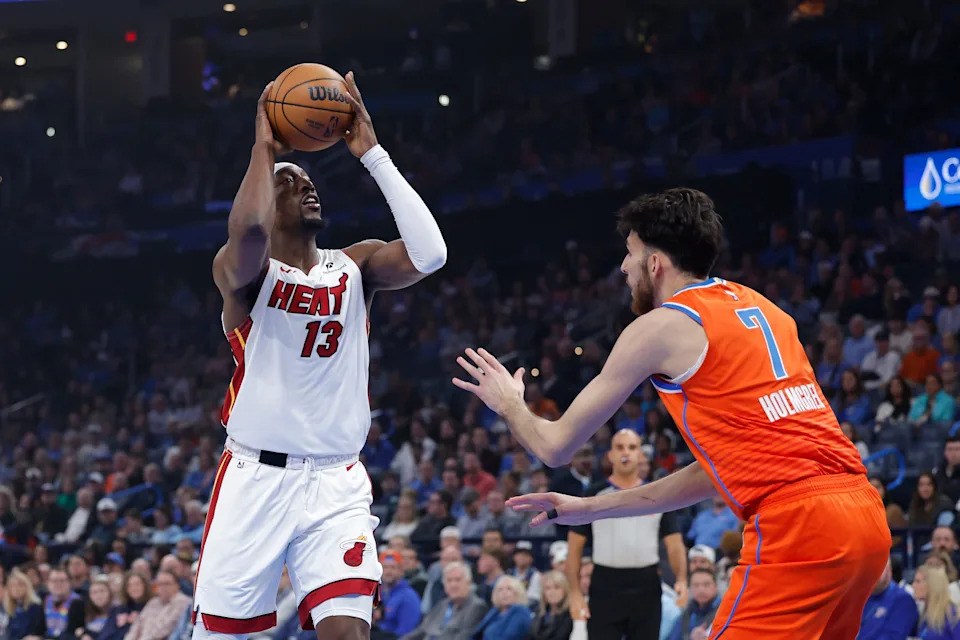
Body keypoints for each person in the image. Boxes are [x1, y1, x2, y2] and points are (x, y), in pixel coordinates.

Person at [458, 189, 890, 639]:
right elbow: (718, 472)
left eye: (630, 253)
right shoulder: (766, 309)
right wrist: (591, 508)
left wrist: (509, 403)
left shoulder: (660, 327)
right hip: (863, 515)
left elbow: (554, 447)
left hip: (802, 526)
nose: (623, 267)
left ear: (654, 263)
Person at [199, 71, 446, 640]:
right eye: (290, 183)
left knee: (348, 633)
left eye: (310, 181)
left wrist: (373, 155)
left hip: (337, 481)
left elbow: (431, 254)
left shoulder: (356, 265)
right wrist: (265, 150)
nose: (306, 187)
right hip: (256, 478)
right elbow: (248, 230)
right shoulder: (245, 274)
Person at [565, 430, 688, 639]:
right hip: (605, 584)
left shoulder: (658, 494)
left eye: (632, 447)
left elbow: (675, 544)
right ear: (610, 455)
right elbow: (574, 548)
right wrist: (575, 593)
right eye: (620, 447)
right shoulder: (593, 495)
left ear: (640, 455)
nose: (626, 453)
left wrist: (682, 579)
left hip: (646, 584)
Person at [399, 562, 487, 640]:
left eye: (458, 580)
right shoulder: (443, 604)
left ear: (469, 582)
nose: (453, 585)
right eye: (449, 580)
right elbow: (421, 630)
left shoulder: (476, 607)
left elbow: (463, 637)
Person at [856, 558, 918, 640]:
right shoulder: (861, 598)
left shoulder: (903, 600)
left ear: (889, 570)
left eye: (877, 568)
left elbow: (893, 637)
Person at [124, 570, 191, 640]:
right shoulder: (153, 602)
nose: (163, 587)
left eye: (167, 584)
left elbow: (164, 629)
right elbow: (136, 626)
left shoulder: (183, 602)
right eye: (160, 584)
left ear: (177, 585)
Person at [376, 551, 421, 637]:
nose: (388, 571)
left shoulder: (408, 597)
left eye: (393, 567)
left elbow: (407, 633)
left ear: (401, 571)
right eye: (384, 567)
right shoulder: (377, 593)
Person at [472, 576, 532, 640]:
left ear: (518, 592)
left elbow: (510, 637)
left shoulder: (521, 611)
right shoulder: (494, 611)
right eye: (500, 589)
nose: (504, 592)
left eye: (509, 589)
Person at [668, 569, 722, 640]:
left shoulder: (724, 612)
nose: (701, 589)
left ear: (716, 586)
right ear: (690, 588)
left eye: (706, 585)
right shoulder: (686, 613)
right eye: (696, 585)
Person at [913, 565, 960, 639]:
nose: (913, 585)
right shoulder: (925, 615)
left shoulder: (953, 616)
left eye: (918, 581)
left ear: (932, 585)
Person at [529, 571, 573, 640]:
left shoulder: (570, 613)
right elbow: (530, 635)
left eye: (557, 587)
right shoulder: (539, 611)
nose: (552, 592)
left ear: (565, 590)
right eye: (547, 588)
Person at [4, 568, 45, 640]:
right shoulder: (12, 608)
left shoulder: (35, 607)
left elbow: (36, 633)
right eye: (12, 585)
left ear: (27, 587)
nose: (16, 588)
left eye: (20, 585)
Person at [43, 568, 84, 640]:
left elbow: (75, 633)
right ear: (47, 583)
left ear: (70, 583)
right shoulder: (45, 600)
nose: (58, 584)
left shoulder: (79, 602)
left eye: (62, 580)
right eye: (54, 581)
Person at [508, 541, 541, 605]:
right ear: (514, 557)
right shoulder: (507, 574)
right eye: (519, 554)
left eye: (526, 554)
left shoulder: (536, 575)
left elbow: (533, 599)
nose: (522, 557)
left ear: (531, 558)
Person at [935, 437, 960, 506]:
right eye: (950, 449)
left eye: (957, 449)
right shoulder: (937, 472)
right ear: (944, 452)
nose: (953, 453)